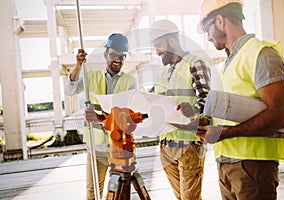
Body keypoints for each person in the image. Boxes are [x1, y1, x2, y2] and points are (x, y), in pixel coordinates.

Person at [197, 0, 284, 199]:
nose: (207, 38)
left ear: (220, 21)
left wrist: (226, 133)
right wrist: (205, 123)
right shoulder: (226, 65)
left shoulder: (260, 53)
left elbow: (282, 115)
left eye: (207, 30)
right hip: (226, 165)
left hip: (252, 166)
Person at [64, 33, 136, 199]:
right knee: (92, 192)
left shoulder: (130, 82)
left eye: (121, 56)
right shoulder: (92, 77)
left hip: (120, 148)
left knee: (119, 194)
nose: (117, 60)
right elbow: (69, 90)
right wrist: (78, 66)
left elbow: (128, 119)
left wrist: (100, 119)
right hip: (96, 149)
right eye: (113, 55)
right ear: (105, 55)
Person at [150, 19, 211, 200]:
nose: (157, 51)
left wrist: (193, 109)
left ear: (172, 41)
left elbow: (208, 100)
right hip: (166, 147)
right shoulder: (162, 74)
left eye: (159, 45)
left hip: (189, 145)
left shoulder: (195, 63)